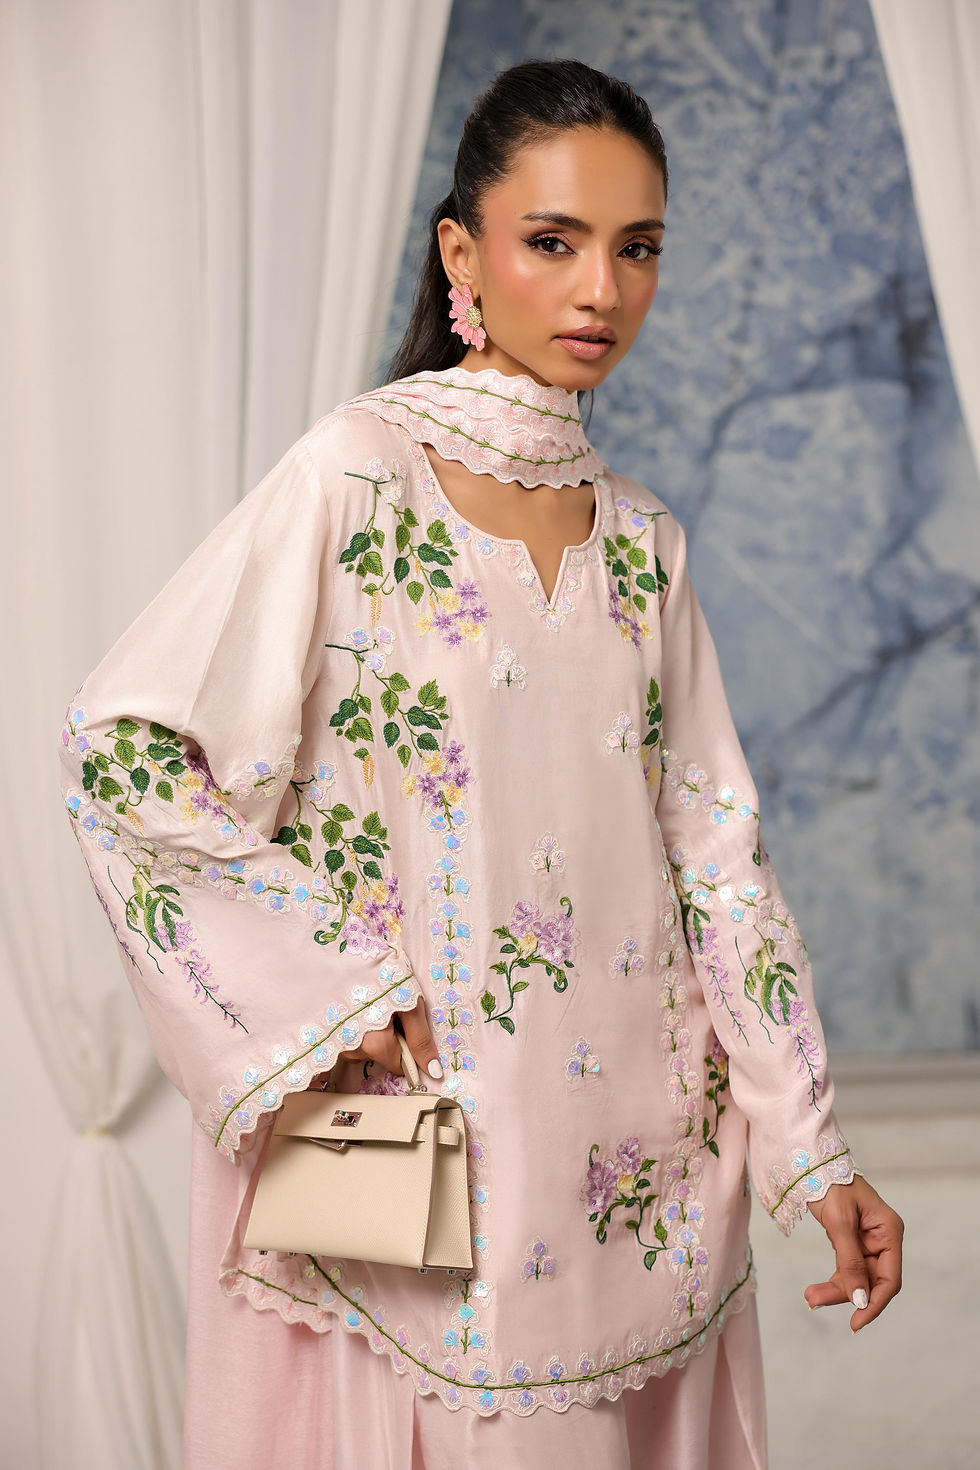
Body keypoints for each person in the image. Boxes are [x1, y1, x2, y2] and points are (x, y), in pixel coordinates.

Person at [58, 57, 903, 1470]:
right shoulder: (358, 475)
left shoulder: (642, 541)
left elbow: (719, 863)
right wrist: (333, 989)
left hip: (642, 1176)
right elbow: (122, 750)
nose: (600, 291)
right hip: (426, 1170)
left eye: (638, 248)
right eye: (553, 241)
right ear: (463, 252)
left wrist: (810, 1147)